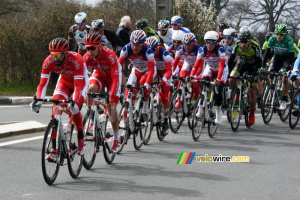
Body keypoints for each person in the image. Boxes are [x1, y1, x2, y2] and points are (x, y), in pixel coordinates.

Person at [30, 37, 89, 156]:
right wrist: (38, 100)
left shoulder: (77, 60)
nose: (55, 59)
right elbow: (42, 84)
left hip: (80, 82)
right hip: (64, 82)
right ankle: (53, 147)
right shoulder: (48, 61)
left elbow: (78, 86)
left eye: (59, 55)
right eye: (53, 55)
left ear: (66, 54)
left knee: (74, 108)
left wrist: (74, 102)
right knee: (56, 106)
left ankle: (81, 140)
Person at [83, 32, 122, 153]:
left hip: (113, 77)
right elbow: (81, 76)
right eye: (87, 48)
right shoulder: (87, 57)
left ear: (99, 46)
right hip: (100, 74)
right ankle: (91, 114)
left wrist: (112, 97)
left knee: (111, 107)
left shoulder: (110, 54)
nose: (89, 51)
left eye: (92, 48)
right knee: (90, 90)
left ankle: (116, 138)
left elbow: (116, 78)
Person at [119, 30, 156, 127]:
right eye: (133, 44)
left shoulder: (148, 51)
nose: (135, 47)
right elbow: (118, 66)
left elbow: (152, 71)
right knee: (129, 92)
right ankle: (125, 120)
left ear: (143, 44)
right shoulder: (126, 48)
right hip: (136, 70)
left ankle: (145, 107)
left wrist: (147, 84)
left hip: (147, 70)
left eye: (138, 45)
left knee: (144, 84)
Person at [191, 31, 228, 124]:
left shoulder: (220, 50)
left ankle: (219, 112)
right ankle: (201, 108)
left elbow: (221, 65)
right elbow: (196, 65)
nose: (209, 44)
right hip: (210, 68)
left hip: (222, 69)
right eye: (207, 42)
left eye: (212, 42)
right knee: (203, 83)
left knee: (218, 89)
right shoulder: (202, 50)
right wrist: (191, 75)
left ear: (216, 43)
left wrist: (219, 79)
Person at [228, 31, 262, 125]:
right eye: (241, 41)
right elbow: (231, 60)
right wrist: (227, 72)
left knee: (252, 90)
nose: (243, 44)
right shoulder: (237, 45)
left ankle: (252, 112)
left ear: (249, 41)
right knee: (232, 78)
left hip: (254, 66)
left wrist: (253, 75)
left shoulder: (255, 47)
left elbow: (259, 63)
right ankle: (236, 96)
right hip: (242, 64)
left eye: (245, 42)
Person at [262, 24, 295, 110]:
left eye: (281, 34)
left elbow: (291, 56)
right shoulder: (272, 39)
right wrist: (262, 66)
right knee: (271, 73)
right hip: (277, 57)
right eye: (277, 34)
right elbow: (266, 53)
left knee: (284, 76)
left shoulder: (289, 40)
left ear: (285, 35)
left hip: (287, 58)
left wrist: (287, 68)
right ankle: (273, 92)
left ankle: (284, 99)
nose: (279, 36)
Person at [146, 36, 173, 136]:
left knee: (163, 94)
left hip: (166, 72)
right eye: (149, 50)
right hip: (156, 71)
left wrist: (164, 81)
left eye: (153, 50)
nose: (151, 52)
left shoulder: (165, 54)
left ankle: (166, 121)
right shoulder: (148, 54)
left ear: (157, 48)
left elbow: (169, 72)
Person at [173, 32, 201, 109]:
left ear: (193, 44)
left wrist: (194, 76)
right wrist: (173, 73)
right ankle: (179, 100)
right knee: (181, 76)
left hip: (197, 65)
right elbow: (175, 63)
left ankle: (197, 102)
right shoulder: (180, 48)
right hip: (187, 63)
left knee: (195, 84)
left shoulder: (199, 49)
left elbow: (200, 66)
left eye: (189, 45)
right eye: (185, 44)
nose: (186, 47)